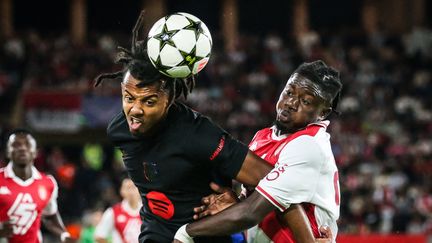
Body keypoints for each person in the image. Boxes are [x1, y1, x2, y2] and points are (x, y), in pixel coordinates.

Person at [94, 11, 328, 243]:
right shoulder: (119, 131)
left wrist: (306, 240)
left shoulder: (198, 134)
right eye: (128, 98)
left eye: (149, 101)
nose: (135, 109)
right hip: (155, 236)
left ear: (169, 100)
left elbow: (276, 185)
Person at [173, 60, 342, 243]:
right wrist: (236, 203)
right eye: (289, 92)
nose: (291, 103)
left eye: (306, 101)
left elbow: (251, 213)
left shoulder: (309, 145)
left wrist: (187, 232)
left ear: (323, 113)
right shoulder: (263, 136)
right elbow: (262, 209)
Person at [0, 129, 74, 243]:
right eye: (16, 145)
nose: (22, 148)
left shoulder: (48, 183)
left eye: (27, 144)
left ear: (35, 152)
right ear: (7, 152)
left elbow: (49, 216)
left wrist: (63, 234)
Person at [94, 177, 142, 243]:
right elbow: (99, 236)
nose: (131, 192)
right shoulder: (113, 212)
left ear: (139, 190)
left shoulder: (146, 211)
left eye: (134, 187)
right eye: (128, 188)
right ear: (122, 191)